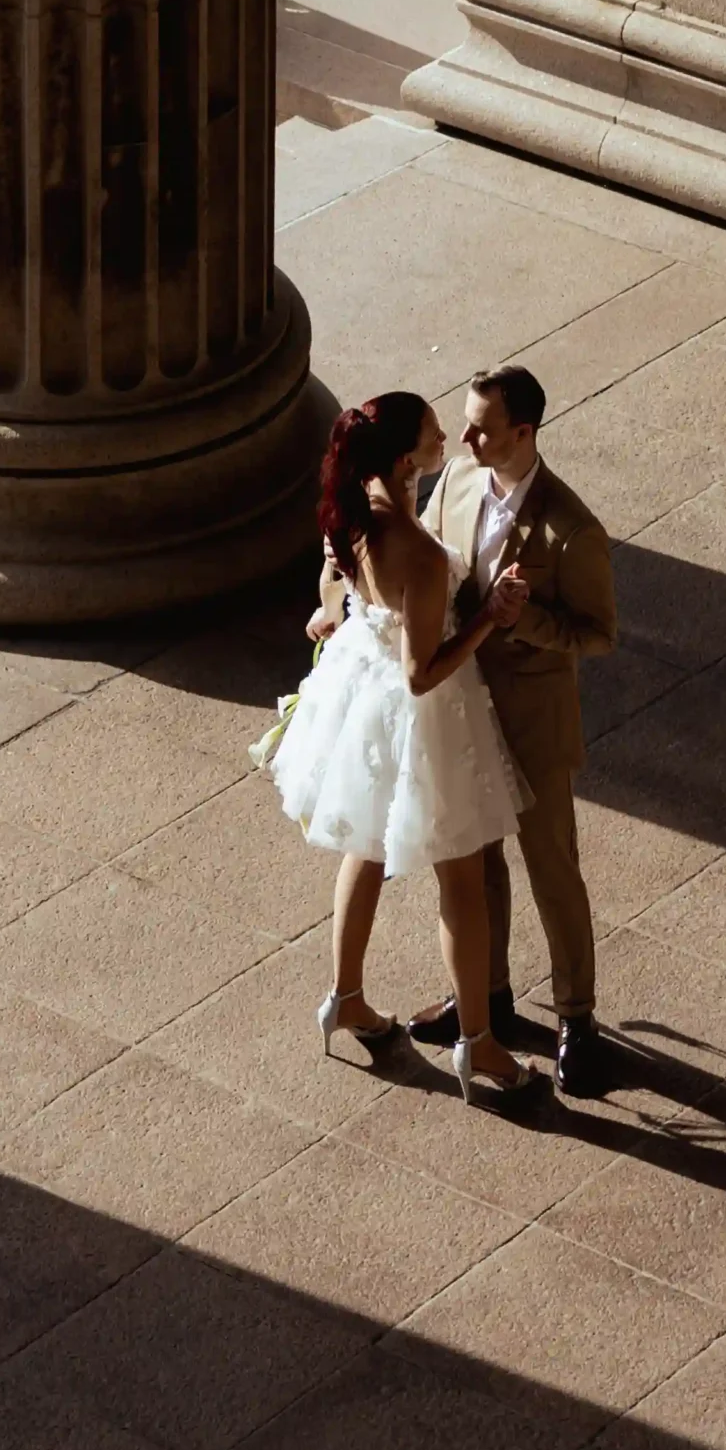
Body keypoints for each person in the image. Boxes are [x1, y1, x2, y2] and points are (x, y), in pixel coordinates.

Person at [267, 392, 540, 1104]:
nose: (445, 437)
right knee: (462, 880)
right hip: (423, 716)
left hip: (365, 697)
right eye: (431, 434)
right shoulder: (416, 552)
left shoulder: (355, 505)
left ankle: (346, 998)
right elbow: (424, 672)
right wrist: (486, 617)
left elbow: (338, 584)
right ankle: (477, 1041)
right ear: (403, 456)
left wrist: (332, 611)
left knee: (366, 849)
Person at [396, 366, 620, 1096]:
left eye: (482, 427)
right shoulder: (458, 479)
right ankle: (485, 998)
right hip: (464, 702)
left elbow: (597, 635)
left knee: (551, 867)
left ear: (524, 433)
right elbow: (431, 558)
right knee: (475, 857)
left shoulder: (572, 527)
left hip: (532, 718)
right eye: (466, 422)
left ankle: (575, 1020)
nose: (464, 437)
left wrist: (524, 619)